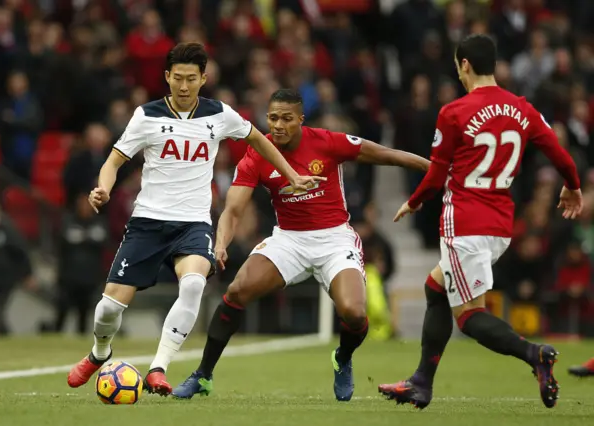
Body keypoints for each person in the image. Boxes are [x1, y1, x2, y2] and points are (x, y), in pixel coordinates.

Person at [66, 43, 322, 395]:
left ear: (203, 79)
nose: (184, 86)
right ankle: (99, 353)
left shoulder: (220, 115)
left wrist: (292, 175)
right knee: (109, 307)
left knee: (193, 285)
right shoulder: (147, 116)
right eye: (177, 78)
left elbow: (259, 141)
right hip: (148, 223)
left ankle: (159, 367)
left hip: (193, 224)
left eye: (191, 79)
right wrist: (103, 189)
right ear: (166, 77)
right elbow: (113, 161)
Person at [172, 88, 430, 402]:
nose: (278, 125)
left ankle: (343, 358)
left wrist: (430, 168)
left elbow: (383, 153)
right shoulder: (258, 152)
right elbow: (234, 207)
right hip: (289, 239)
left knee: (355, 313)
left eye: (286, 119)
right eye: (273, 118)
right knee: (238, 291)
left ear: (300, 120)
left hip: (334, 238)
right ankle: (203, 375)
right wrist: (222, 243)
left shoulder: (326, 141)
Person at [378, 34, 583, 409]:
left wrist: (413, 201)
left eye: (458, 67)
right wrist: (572, 187)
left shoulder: (454, 112)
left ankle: (534, 354)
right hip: (500, 227)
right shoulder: (523, 108)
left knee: (470, 317)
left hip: (465, 223)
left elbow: (437, 177)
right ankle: (421, 382)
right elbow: (562, 157)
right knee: (435, 288)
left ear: (465, 65)